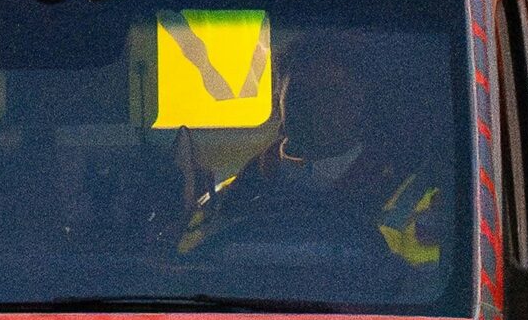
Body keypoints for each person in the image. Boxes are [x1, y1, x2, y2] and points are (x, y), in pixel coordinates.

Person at [180, 49, 445, 267]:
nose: (316, 105)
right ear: (279, 99)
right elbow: (186, 271)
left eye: (334, 92)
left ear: (363, 104)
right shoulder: (228, 196)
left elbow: (425, 287)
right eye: (301, 91)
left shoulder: (416, 200)